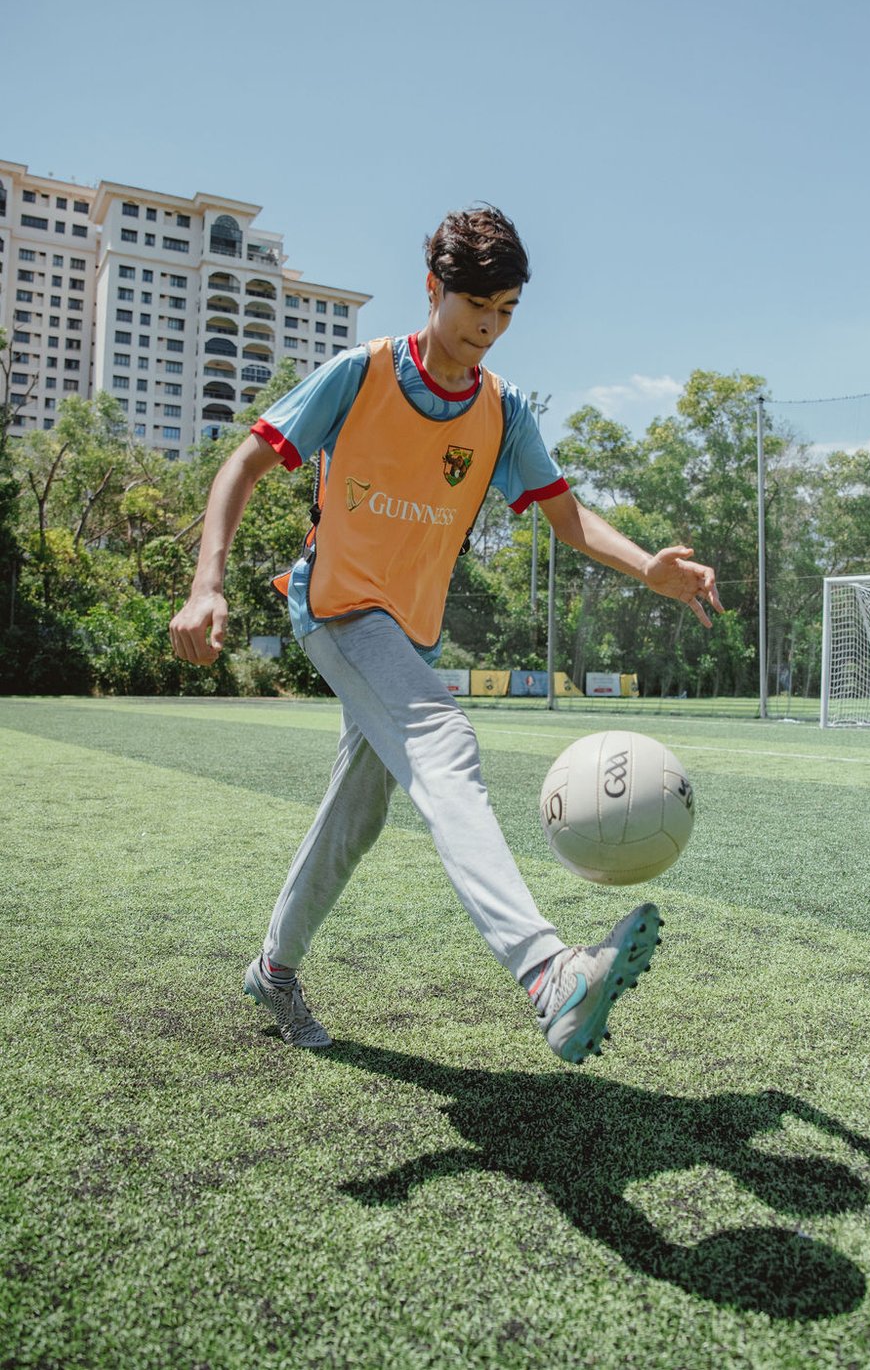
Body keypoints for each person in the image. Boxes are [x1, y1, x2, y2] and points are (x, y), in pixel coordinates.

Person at [169, 205, 722, 1064]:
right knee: (443, 734)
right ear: (434, 288)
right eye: (476, 307)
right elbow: (243, 460)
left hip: (408, 634)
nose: (489, 329)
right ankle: (549, 974)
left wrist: (647, 565)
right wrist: (207, 581)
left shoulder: (502, 412)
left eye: (506, 313)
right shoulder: (362, 373)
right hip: (337, 605)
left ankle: (272, 970)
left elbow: (566, 518)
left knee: (355, 814)